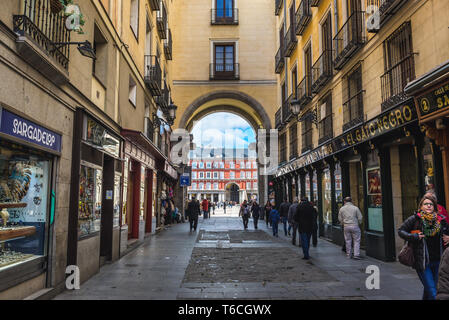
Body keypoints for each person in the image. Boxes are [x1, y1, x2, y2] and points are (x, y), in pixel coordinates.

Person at [398, 194, 449, 300]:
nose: (429, 206)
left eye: (431, 204)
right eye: (426, 204)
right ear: (421, 206)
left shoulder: (441, 220)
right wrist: (414, 236)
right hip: (423, 262)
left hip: (438, 262)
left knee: (430, 291)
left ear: (434, 207)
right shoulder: (415, 219)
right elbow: (401, 231)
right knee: (433, 291)